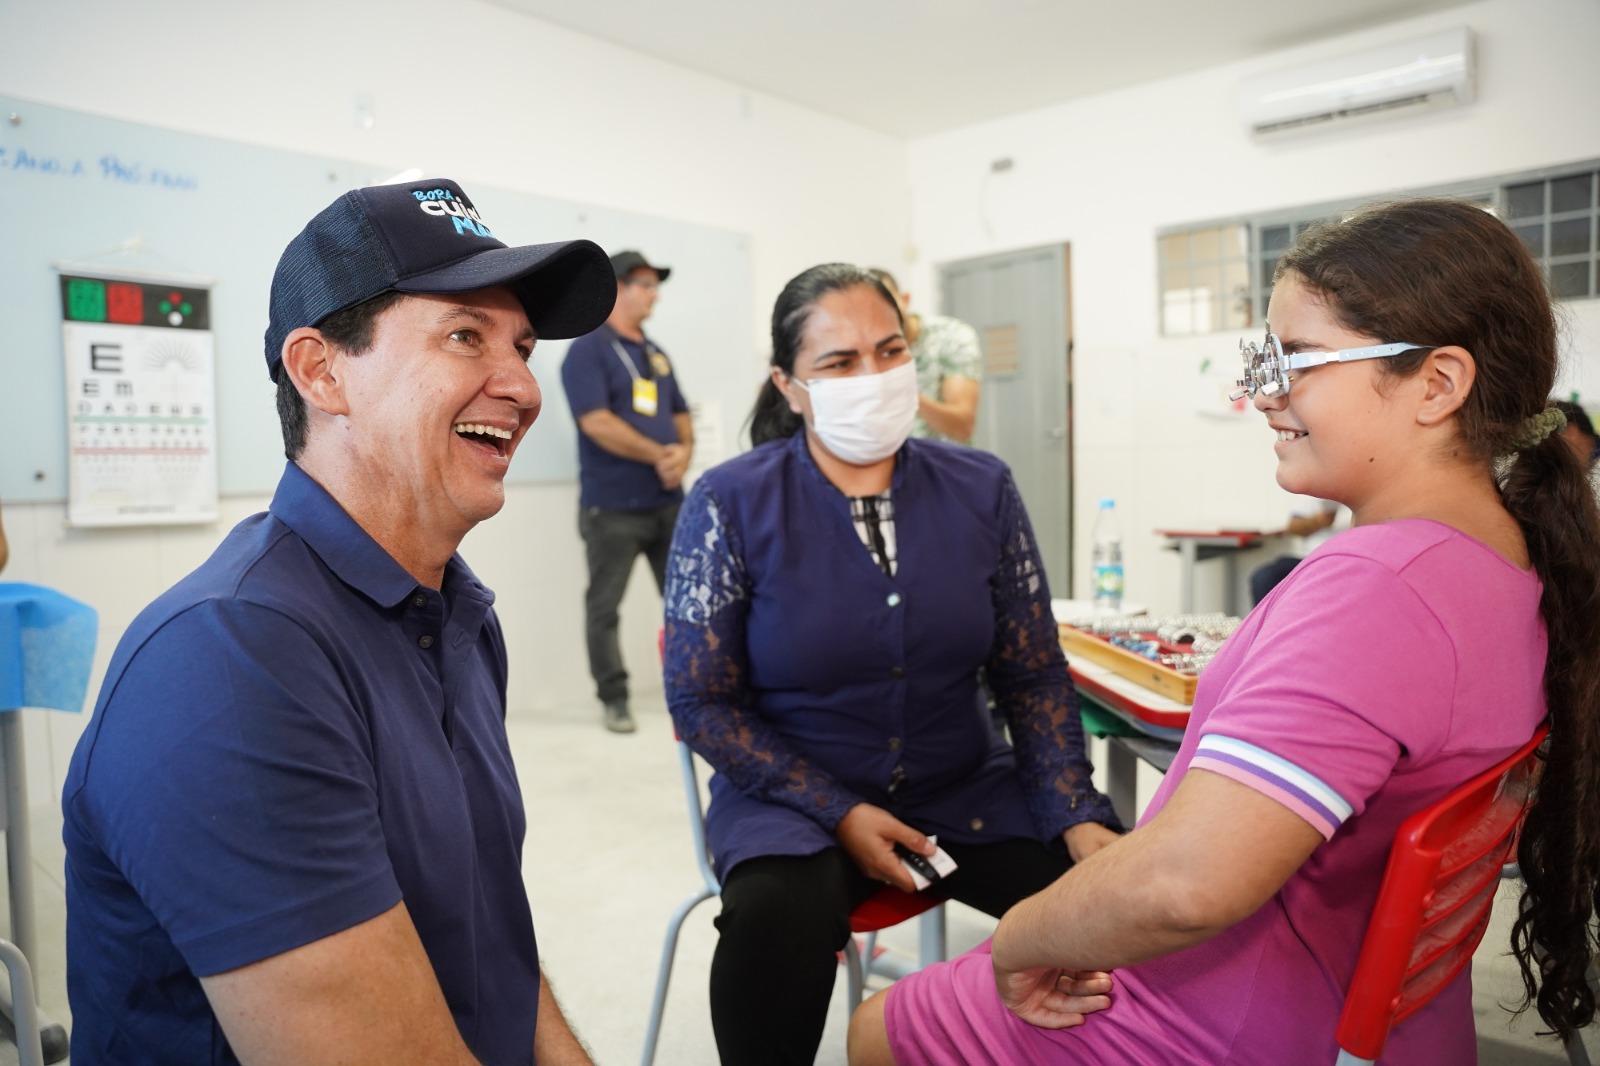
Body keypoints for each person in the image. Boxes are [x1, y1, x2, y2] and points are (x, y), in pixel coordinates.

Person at [849, 199, 1600, 1065]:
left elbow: (1184, 886)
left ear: (1437, 384)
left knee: (877, 1027)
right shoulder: (1510, 560)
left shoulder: (1376, 590)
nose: (1263, 394)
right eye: (1264, 361)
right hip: (1389, 1016)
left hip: (1218, 1025)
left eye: (1297, 361)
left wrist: (1019, 935)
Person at [62, 177, 617, 1066]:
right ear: (322, 372)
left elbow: (489, 945)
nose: (522, 385)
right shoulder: (228, 659)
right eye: (465, 336)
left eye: (521, 346)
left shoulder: (458, 618)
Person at [663, 263, 1121, 1066]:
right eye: (839, 362)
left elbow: (1031, 674)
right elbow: (702, 701)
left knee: (1121, 910)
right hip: (794, 799)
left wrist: (1075, 813)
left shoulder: (982, 487)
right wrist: (840, 810)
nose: (873, 377)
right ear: (789, 386)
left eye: (889, 351)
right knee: (774, 923)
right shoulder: (729, 502)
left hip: (964, 788)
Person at [560, 250, 692, 733]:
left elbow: (681, 415)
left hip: (668, 503)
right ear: (617, 287)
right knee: (605, 607)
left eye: (657, 286)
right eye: (646, 284)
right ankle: (614, 698)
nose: (655, 294)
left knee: (688, 601)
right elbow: (596, 422)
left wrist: (682, 454)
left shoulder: (655, 352)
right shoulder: (588, 349)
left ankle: (696, 686)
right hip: (613, 507)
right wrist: (659, 455)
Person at [869, 268, 982, 444]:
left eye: (886, 304)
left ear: (905, 299)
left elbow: (963, 427)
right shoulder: (861, 350)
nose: (881, 316)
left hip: (947, 457)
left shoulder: (951, 336)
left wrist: (909, 394)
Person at [1247, 496, 1343, 604]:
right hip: (1307, 558)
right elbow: (1293, 528)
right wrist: (1319, 521)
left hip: (1341, 559)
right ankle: (1266, 616)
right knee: (1264, 577)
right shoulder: (1313, 494)